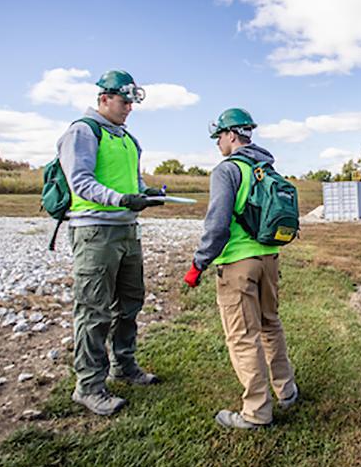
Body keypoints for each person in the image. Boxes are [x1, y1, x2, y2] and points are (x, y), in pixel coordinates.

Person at [57, 69, 164, 416]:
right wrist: (120, 199)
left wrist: (145, 194)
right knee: (94, 309)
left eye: (132, 102)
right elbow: (81, 182)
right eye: (124, 101)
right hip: (95, 233)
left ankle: (124, 365)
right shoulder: (83, 132)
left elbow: (133, 180)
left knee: (130, 303)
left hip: (127, 231)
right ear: (104, 99)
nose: (129, 108)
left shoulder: (129, 139)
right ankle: (88, 386)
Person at [184, 108, 298, 429]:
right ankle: (286, 391)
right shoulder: (266, 167)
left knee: (243, 337)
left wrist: (199, 263)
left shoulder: (227, 170)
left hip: (238, 263)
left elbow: (217, 226)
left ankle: (257, 413)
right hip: (270, 258)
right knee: (270, 325)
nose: (218, 143)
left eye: (219, 136)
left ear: (232, 135)